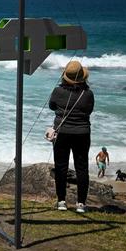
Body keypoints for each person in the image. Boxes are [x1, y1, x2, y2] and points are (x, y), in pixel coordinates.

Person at [49, 60, 94, 213]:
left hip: (61, 133)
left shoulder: (58, 91)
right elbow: (89, 111)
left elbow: (52, 106)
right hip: (82, 133)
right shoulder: (88, 93)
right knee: (82, 168)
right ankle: (81, 203)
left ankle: (61, 201)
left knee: (61, 167)